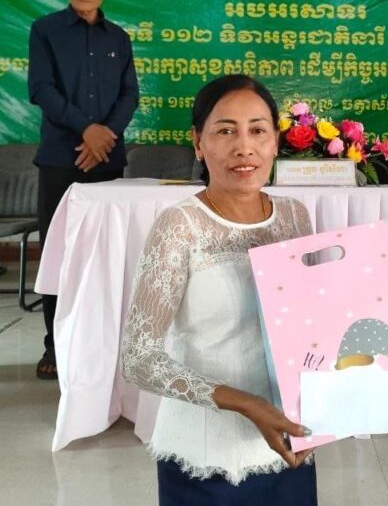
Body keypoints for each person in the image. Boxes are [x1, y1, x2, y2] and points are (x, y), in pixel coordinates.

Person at [121, 74, 317, 505]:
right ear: (198, 142)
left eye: (257, 131)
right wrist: (245, 403)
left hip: (287, 441)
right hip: (205, 451)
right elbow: (138, 360)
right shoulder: (179, 226)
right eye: (226, 131)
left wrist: (366, 285)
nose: (244, 147)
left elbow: (306, 326)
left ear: (275, 141)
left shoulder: (294, 216)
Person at [28, 0, 139, 379]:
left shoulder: (119, 38)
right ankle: (55, 347)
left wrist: (104, 135)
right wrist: (86, 129)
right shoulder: (45, 30)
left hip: (107, 161)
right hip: (61, 158)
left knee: (105, 256)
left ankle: (102, 343)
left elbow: (130, 95)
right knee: (60, 254)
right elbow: (41, 89)